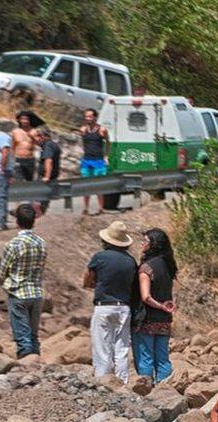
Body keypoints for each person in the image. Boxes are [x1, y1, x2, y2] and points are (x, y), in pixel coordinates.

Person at [83, 221, 137, 383]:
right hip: (124, 307)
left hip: (104, 306)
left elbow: (87, 278)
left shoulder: (100, 257)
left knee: (102, 346)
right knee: (121, 348)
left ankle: (103, 380)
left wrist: (93, 284)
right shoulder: (130, 261)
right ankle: (123, 381)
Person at [0, 203, 47, 359]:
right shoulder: (41, 243)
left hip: (18, 293)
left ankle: (26, 365)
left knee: (23, 338)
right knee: (33, 336)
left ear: (17, 222)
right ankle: (36, 364)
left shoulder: (13, 244)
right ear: (34, 221)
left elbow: (2, 272)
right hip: (37, 292)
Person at [131, 228, 177, 384]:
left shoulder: (146, 268)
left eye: (145, 241)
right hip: (164, 320)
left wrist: (160, 306)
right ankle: (166, 390)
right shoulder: (168, 265)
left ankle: (146, 391)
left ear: (153, 245)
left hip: (147, 319)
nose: (142, 243)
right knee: (163, 358)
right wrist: (165, 307)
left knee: (146, 358)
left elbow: (146, 297)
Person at [79, 108, 110, 216]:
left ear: (95, 117)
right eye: (86, 116)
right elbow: (83, 143)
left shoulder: (102, 130)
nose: (87, 118)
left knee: (99, 185)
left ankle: (100, 208)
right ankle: (85, 208)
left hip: (98, 160)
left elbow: (108, 142)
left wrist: (106, 156)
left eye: (90, 116)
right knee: (86, 185)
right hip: (87, 160)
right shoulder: (83, 129)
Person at [35, 127, 61, 214]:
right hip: (53, 177)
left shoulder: (48, 145)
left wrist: (47, 176)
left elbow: (48, 160)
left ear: (45, 136)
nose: (37, 139)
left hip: (46, 178)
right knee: (44, 200)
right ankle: (40, 215)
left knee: (39, 200)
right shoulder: (53, 144)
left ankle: (37, 217)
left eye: (39, 136)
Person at [12, 112, 36, 181]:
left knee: (29, 180)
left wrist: (33, 137)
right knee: (18, 179)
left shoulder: (34, 131)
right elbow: (12, 147)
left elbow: (39, 144)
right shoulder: (15, 132)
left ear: (29, 120)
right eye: (22, 119)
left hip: (30, 159)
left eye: (27, 119)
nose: (25, 121)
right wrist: (12, 160)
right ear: (19, 120)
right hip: (18, 159)